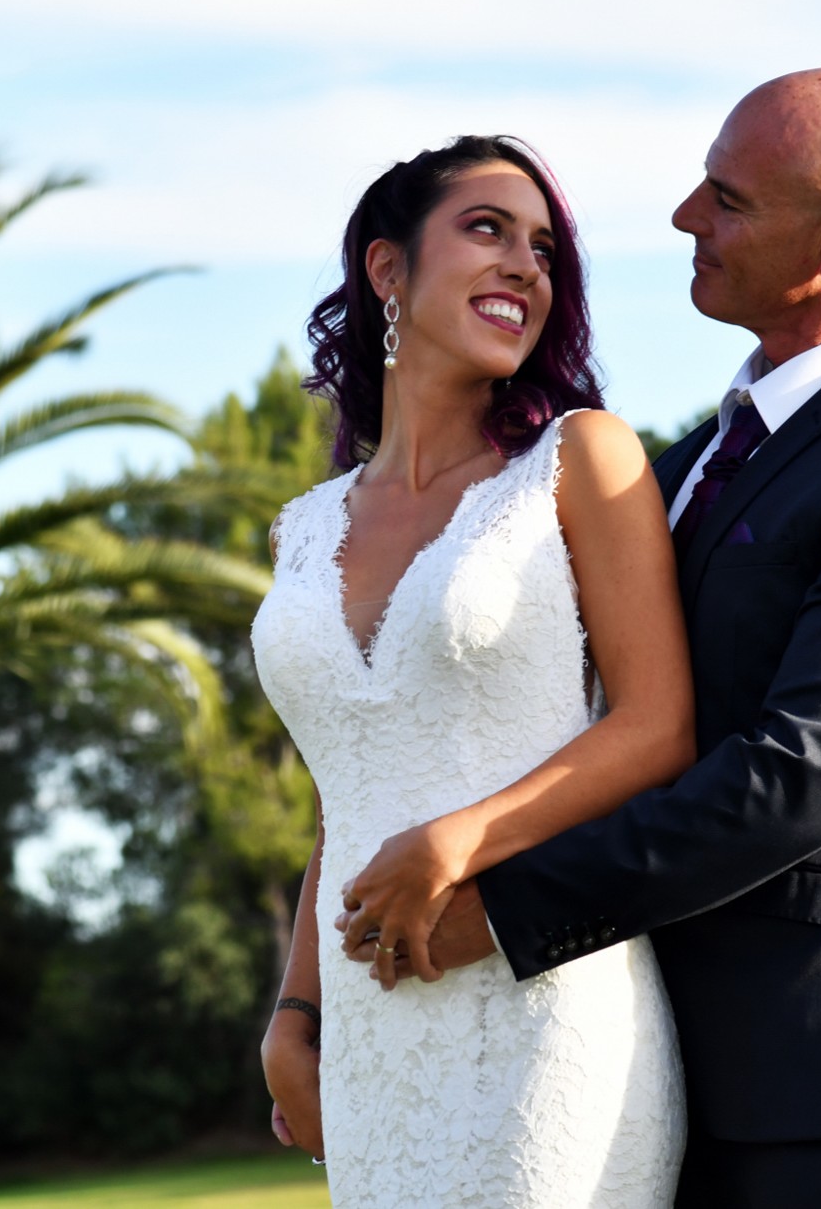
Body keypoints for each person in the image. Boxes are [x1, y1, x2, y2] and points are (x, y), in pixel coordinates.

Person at [337, 68, 821, 1208]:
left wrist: (501, 912)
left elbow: (792, 778)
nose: (682, 219)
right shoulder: (682, 465)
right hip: (633, 1077)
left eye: (728, 198)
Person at [252, 135, 693, 1206]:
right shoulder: (304, 529)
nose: (525, 267)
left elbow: (655, 726)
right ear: (387, 269)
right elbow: (341, 791)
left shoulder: (579, 461)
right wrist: (294, 1011)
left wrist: (459, 839)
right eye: (487, 229)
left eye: (543, 249)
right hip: (370, 1029)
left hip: (540, 1003)